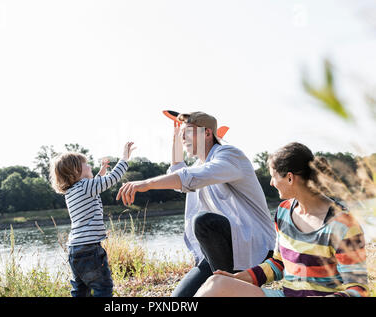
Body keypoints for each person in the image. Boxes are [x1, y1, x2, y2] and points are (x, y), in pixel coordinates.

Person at [116, 111, 276, 297]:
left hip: (254, 247)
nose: (183, 137)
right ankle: (227, 284)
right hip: (219, 251)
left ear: (207, 133)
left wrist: (146, 184)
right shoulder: (199, 165)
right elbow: (178, 170)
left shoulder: (229, 155)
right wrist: (177, 139)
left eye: (188, 132)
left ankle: (231, 288)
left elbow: (188, 178)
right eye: (182, 133)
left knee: (203, 221)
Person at [194, 142, 369, 297]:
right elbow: (278, 263)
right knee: (216, 283)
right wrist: (237, 278)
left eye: (273, 176)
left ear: (290, 178)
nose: (271, 182)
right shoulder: (284, 211)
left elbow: (358, 289)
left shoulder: (343, 225)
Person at [50, 142, 135, 297]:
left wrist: (100, 174)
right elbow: (113, 178)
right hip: (90, 249)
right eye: (87, 165)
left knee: (80, 290)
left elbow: (93, 187)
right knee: (103, 288)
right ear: (76, 171)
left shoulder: (72, 190)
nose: (90, 167)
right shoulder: (85, 187)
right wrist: (124, 159)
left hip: (75, 249)